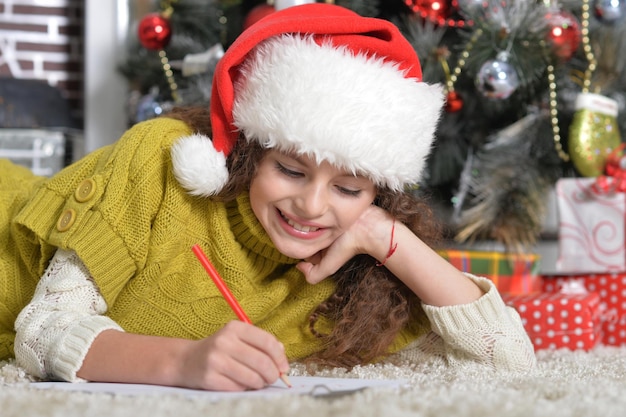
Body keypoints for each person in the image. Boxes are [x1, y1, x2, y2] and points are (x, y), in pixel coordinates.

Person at [0, 3, 536, 392]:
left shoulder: (351, 273)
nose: (311, 205)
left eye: (349, 187)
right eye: (290, 169)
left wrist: (383, 234)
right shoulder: (159, 161)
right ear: (248, 151)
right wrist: (185, 365)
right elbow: (45, 330)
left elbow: (510, 359)